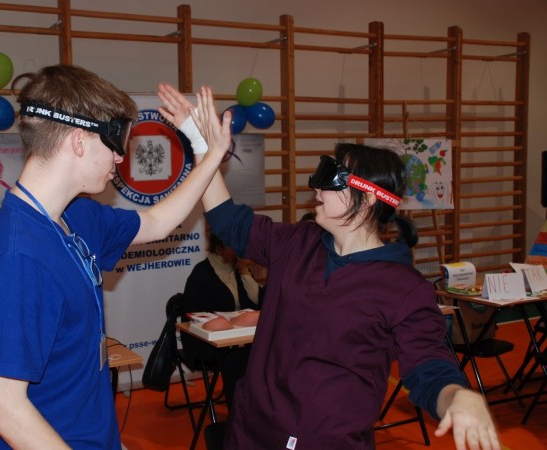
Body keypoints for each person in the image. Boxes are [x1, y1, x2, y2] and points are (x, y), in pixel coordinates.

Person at [157, 84, 501, 450]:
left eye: (331, 178)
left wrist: (457, 396)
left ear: (368, 199)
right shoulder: (299, 242)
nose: (317, 189)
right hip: (251, 433)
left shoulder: (404, 288)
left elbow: (428, 364)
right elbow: (229, 222)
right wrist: (201, 144)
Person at [0, 66, 231, 449]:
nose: (120, 159)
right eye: (116, 144)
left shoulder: (76, 217)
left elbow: (157, 222)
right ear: (79, 141)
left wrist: (210, 152)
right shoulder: (16, 257)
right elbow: (3, 407)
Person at [180, 232, 262, 408]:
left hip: (239, 338)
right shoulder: (201, 274)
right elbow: (191, 315)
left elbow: (257, 301)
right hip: (209, 343)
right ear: (219, 249)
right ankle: (238, 411)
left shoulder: (238, 269)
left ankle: (253, 407)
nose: (238, 250)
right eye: (233, 246)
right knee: (237, 358)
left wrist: (244, 271)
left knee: (262, 352)